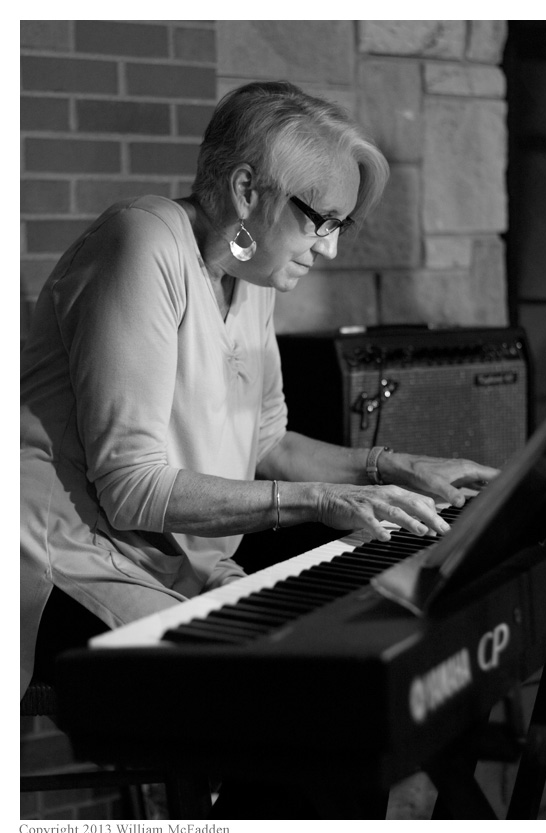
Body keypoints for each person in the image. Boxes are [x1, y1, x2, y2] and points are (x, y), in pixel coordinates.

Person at [21, 81, 497, 787]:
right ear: (247, 190)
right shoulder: (142, 240)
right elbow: (130, 488)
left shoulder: (254, 273)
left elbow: (268, 441)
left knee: (341, 688)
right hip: (65, 562)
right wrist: (318, 501)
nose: (329, 249)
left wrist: (394, 467)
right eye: (321, 221)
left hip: (169, 559)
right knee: (295, 713)